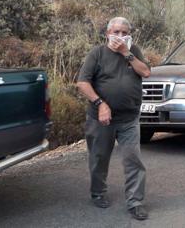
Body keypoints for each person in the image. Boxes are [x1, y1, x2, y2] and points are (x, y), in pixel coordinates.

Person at [77, 17, 152, 221]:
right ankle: (98, 192)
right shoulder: (97, 53)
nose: (120, 36)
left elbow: (145, 72)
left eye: (124, 32)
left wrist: (125, 52)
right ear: (107, 33)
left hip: (129, 118)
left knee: (133, 160)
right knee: (99, 158)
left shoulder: (133, 50)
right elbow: (82, 83)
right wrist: (100, 103)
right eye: (116, 32)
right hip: (100, 119)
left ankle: (135, 202)